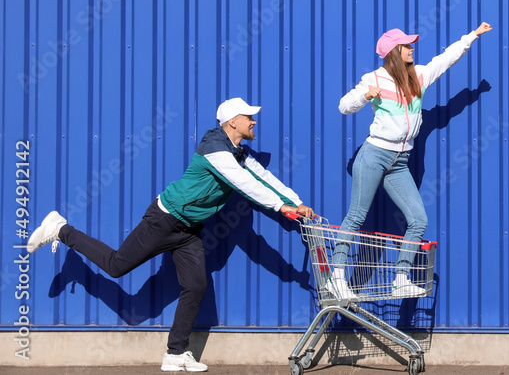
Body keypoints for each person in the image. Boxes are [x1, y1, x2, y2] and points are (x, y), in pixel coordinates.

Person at [26, 98, 314, 373]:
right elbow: (243, 184)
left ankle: (175, 354)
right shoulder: (214, 148)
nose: (253, 122)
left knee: (196, 286)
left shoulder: (239, 154)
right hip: (164, 219)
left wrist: (295, 201)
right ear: (233, 122)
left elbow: (264, 178)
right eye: (249, 117)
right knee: (117, 266)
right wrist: (280, 206)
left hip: (188, 230)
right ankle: (61, 230)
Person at [332, 22, 493, 299]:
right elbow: (344, 106)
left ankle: (401, 278)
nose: (412, 48)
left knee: (418, 220)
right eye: (406, 46)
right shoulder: (374, 78)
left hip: (400, 160)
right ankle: (337, 277)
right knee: (356, 218)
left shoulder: (417, 76)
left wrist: (472, 36)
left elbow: (445, 60)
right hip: (374, 155)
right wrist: (364, 96)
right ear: (394, 51)